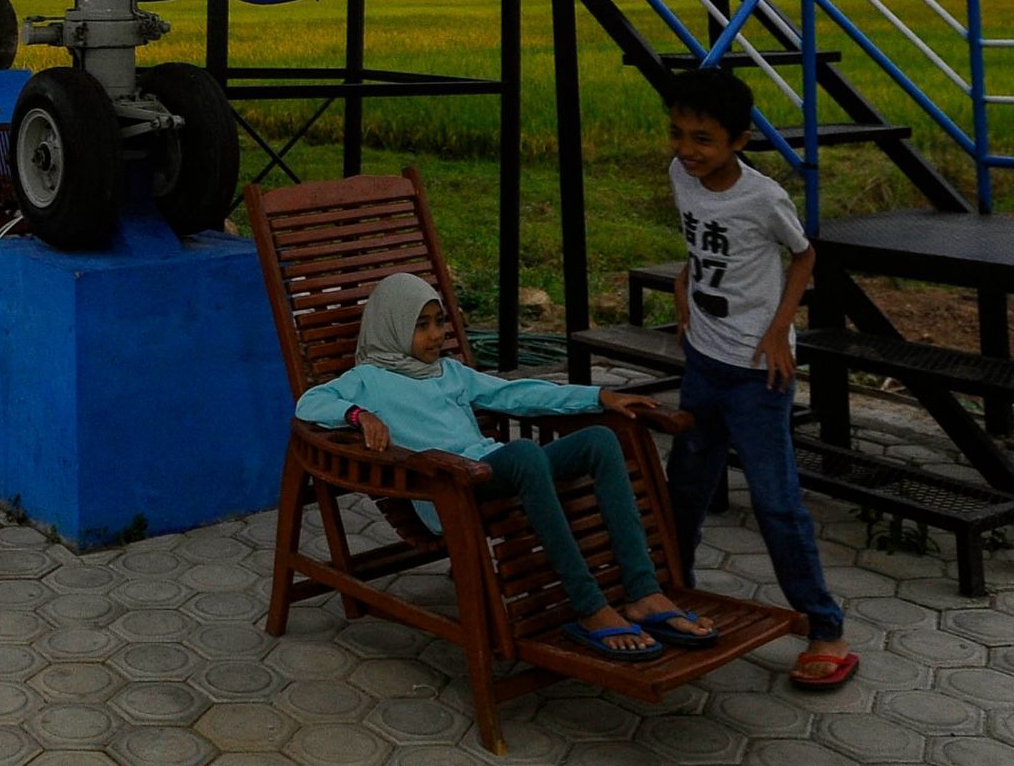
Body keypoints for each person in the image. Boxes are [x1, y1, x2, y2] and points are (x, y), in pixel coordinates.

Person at [296, 271, 720, 662]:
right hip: (449, 487)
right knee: (524, 454)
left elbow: (517, 394)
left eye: (438, 322)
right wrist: (359, 416)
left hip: (495, 470)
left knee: (600, 440)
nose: (434, 335)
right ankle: (589, 605)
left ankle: (643, 590)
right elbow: (309, 403)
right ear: (390, 326)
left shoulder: (449, 371)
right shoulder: (368, 378)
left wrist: (598, 398)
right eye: (420, 325)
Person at [664, 69, 858, 689]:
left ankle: (825, 627)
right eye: (678, 134)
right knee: (684, 490)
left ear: (740, 140)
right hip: (703, 362)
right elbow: (698, 248)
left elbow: (804, 254)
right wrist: (682, 286)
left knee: (776, 503)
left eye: (704, 140)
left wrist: (779, 329)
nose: (688, 150)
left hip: (757, 375)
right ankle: (673, 594)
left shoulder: (762, 197)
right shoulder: (680, 177)